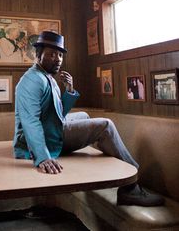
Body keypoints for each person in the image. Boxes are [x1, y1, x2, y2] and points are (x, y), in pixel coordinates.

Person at [13, 31, 164, 207]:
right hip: (39, 142)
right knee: (105, 126)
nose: (58, 59)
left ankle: (99, 165)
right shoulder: (31, 81)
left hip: (49, 129)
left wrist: (69, 89)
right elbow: (30, 121)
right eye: (52, 54)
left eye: (60, 54)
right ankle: (130, 187)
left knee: (84, 115)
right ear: (38, 55)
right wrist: (42, 157)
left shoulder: (47, 77)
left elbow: (58, 113)